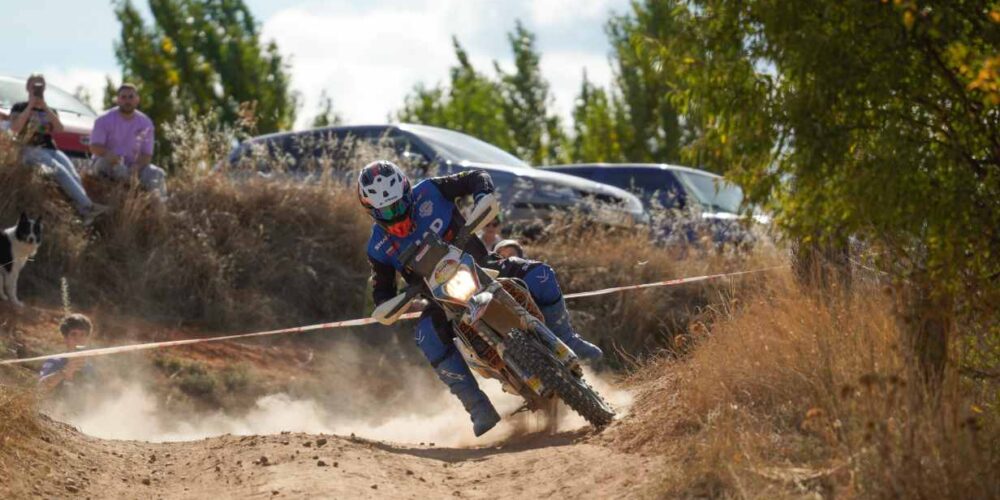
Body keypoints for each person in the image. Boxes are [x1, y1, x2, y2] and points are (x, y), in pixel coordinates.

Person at [360, 160, 602, 437]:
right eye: (386, 211)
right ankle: (477, 407)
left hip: (483, 265)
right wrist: (390, 305)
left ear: (407, 193)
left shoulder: (430, 190)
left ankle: (567, 338)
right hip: (442, 300)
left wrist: (483, 196)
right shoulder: (377, 247)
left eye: (399, 205)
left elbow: (476, 177)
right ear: (372, 211)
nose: (396, 214)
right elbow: (382, 293)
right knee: (426, 336)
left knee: (541, 274)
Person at [9, 75, 108, 224]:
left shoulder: (49, 110)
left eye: (40, 86)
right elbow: (15, 128)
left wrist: (45, 107)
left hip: (51, 149)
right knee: (59, 169)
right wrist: (30, 106)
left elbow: (60, 129)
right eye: (34, 85)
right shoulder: (19, 107)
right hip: (31, 149)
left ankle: (83, 211)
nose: (37, 88)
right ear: (27, 87)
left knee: (73, 173)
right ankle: (88, 206)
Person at [89, 83, 167, 198]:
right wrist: (109, 155)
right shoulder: (103, 119)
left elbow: (147, 155)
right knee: (103, 164)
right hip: (109, 162)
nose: (127, 101)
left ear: (137, 100)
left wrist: (135, 168)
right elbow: (94, 147)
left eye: (131, 97)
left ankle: (161, 210)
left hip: (134, 167)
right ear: (118, 100)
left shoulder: (146, 123)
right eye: (123, 97)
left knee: (157, 173)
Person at [37, 314, 97, 396]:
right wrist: (64, 372)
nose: (78, 339)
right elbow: (40, 388)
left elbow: (95, 398)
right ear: (65, 338)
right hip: (53, 408)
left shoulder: (90, 367)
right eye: (73, 334)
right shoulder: (54, 361)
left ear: (87, 338)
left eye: (82, 335)